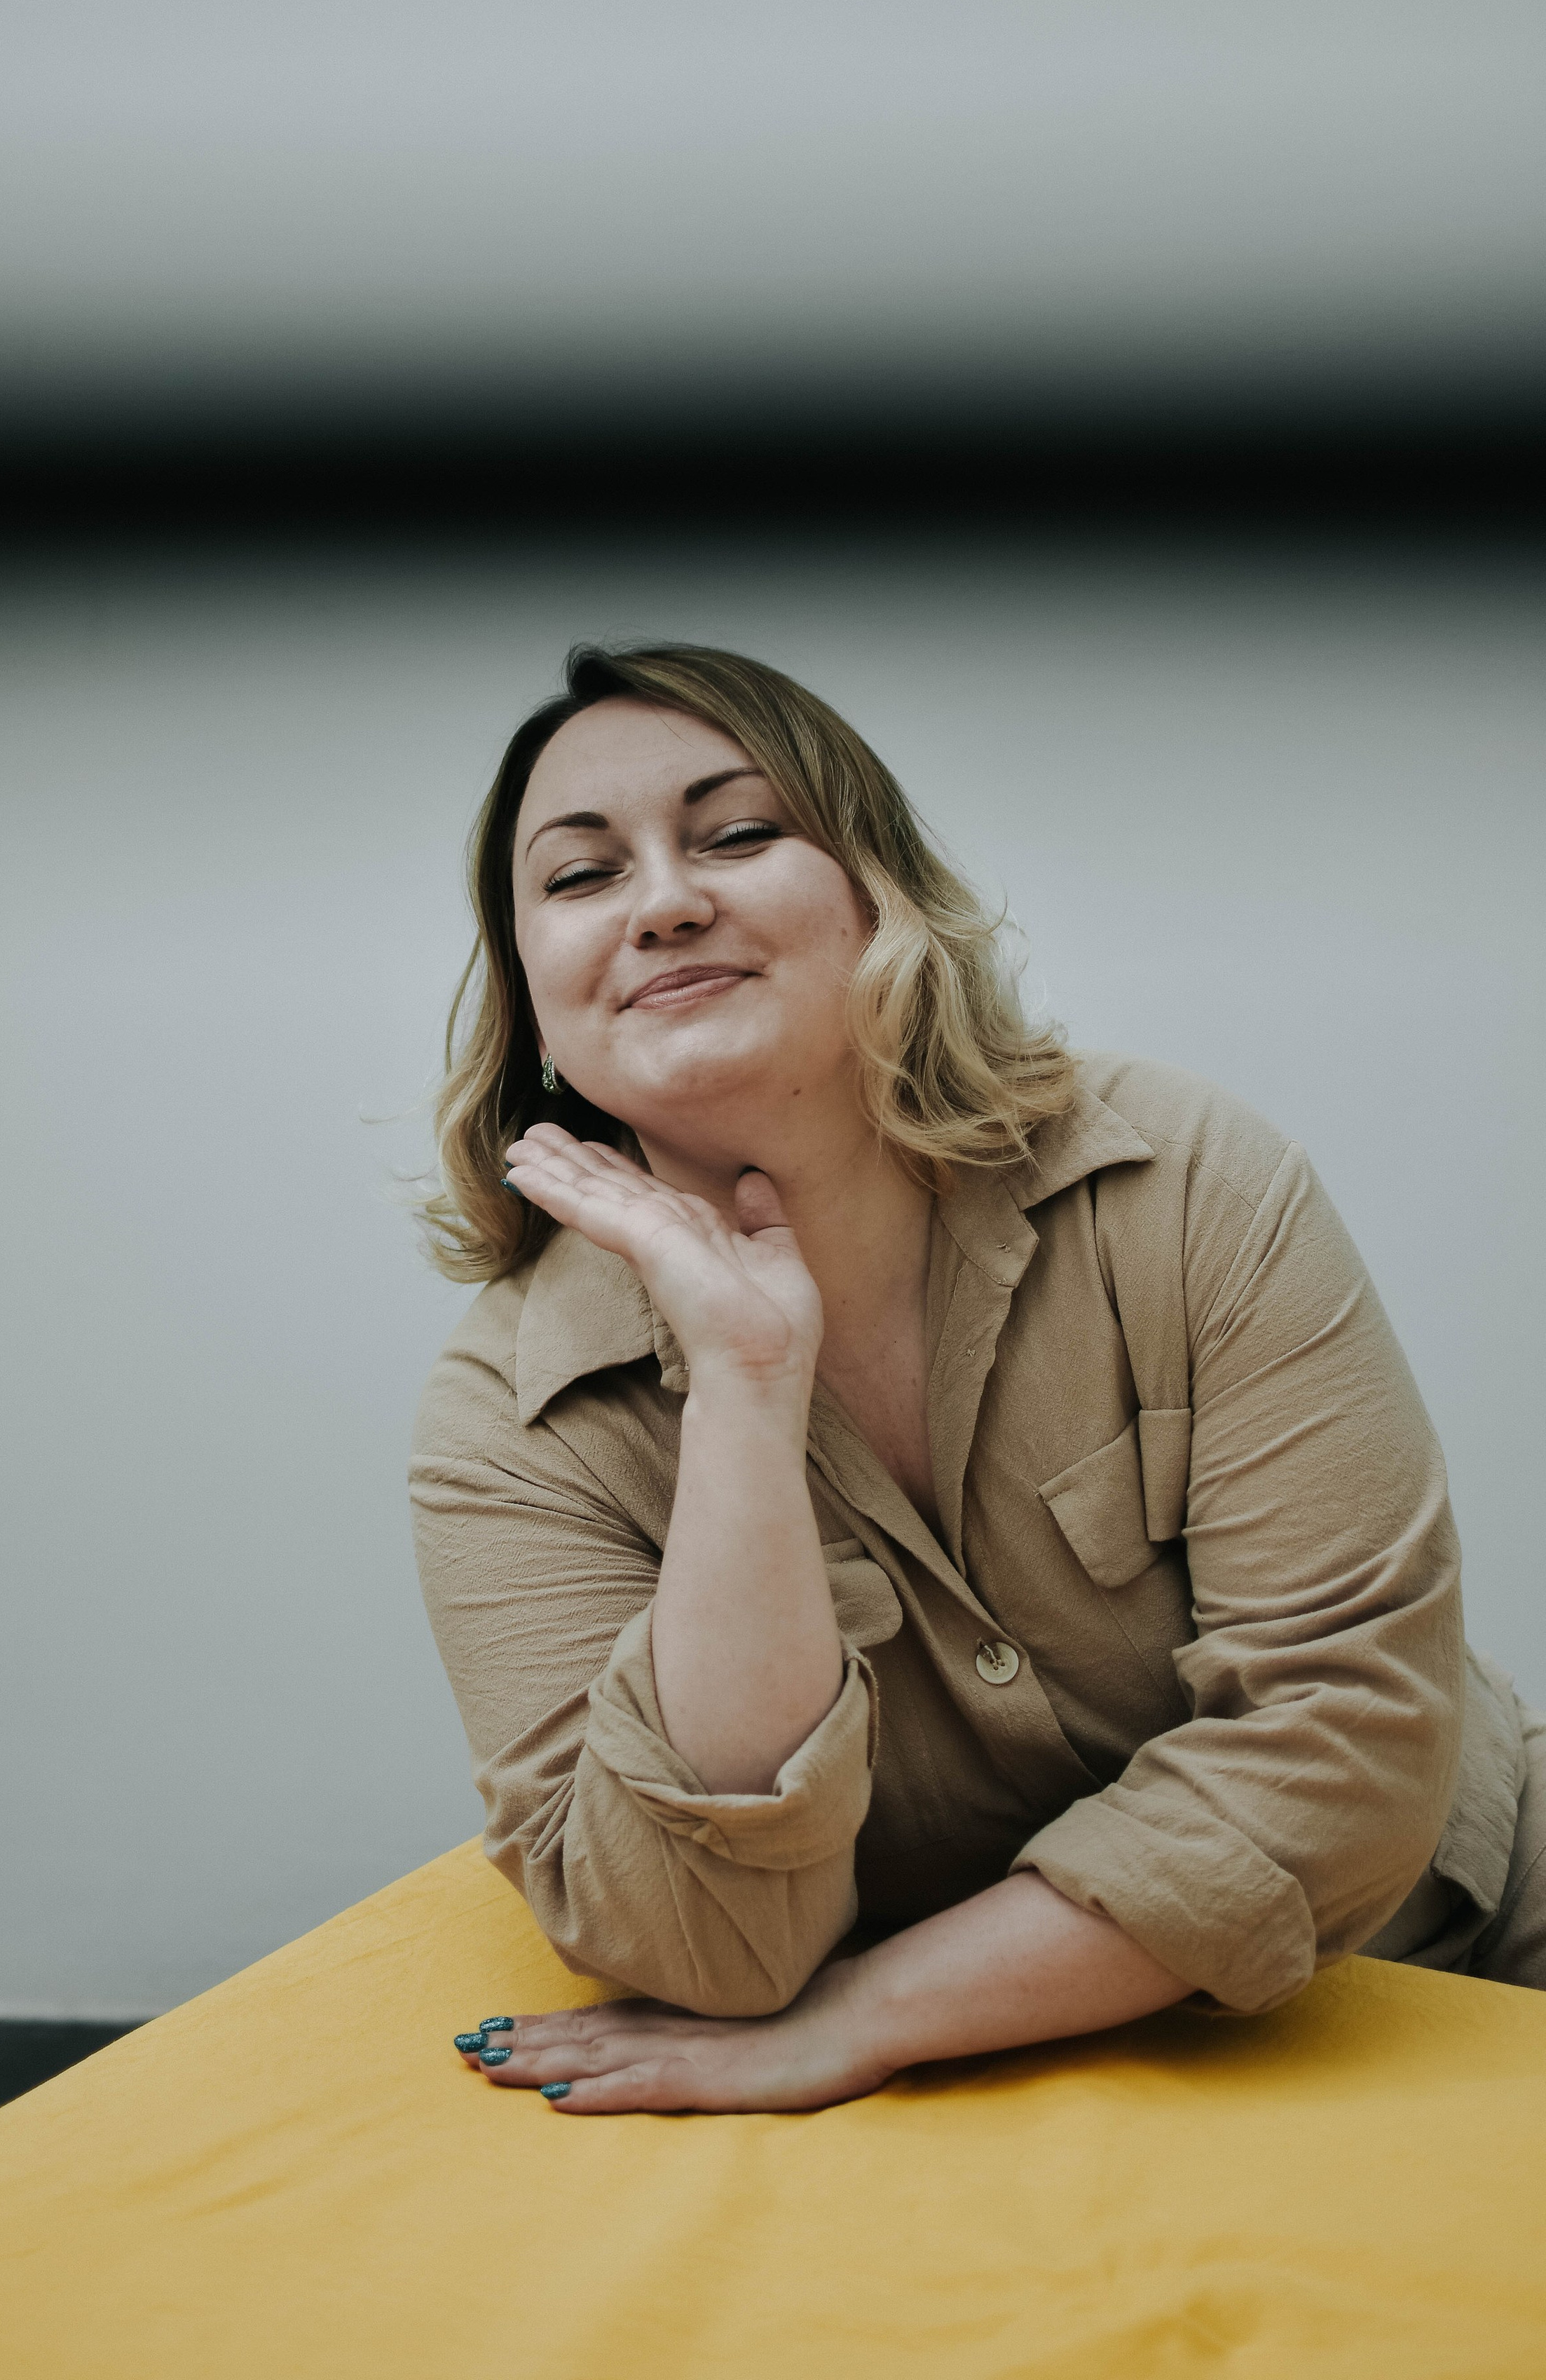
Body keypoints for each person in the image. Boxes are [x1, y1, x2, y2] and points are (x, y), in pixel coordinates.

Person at [409, 642, 1542, 2115]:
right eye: (580, 875)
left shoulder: (1188, 1178)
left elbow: (1347, 1747)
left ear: (879, 896)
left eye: (737, 834)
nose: (664, 902)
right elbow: (699, 1951)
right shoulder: (505, 1427)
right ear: (535, 1002)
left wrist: (870, 2015)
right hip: (1018, 2108)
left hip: (1457, 1943)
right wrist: (746, 1390)